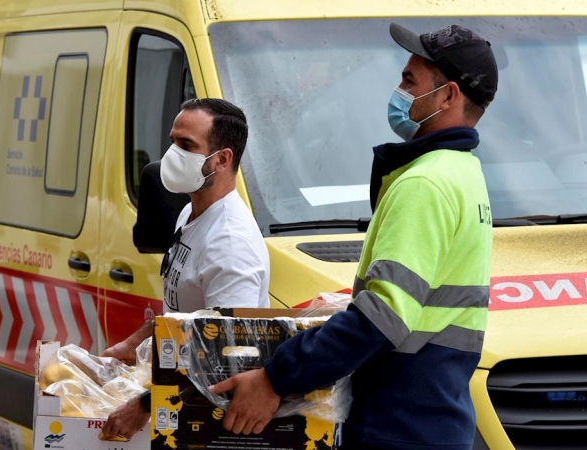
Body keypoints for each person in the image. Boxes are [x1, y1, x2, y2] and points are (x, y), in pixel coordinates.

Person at [209, 23, 498, 450]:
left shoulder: (425, 184)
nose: (398, 89)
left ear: (448, 96)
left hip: (400, 426)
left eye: (409, 80)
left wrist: (274, 378)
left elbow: (380, 320)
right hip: (436, 416)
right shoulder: (464, 173)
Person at [100, 98, 271, 441]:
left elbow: (223, 359)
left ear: (222, 159)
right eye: (172, 142)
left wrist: (143, 406)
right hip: (181, 404)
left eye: (186, 146)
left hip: (211, 422)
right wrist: (133, 344)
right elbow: (185, 313)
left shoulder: (230, 244)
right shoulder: (191, 213)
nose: (172, 154)